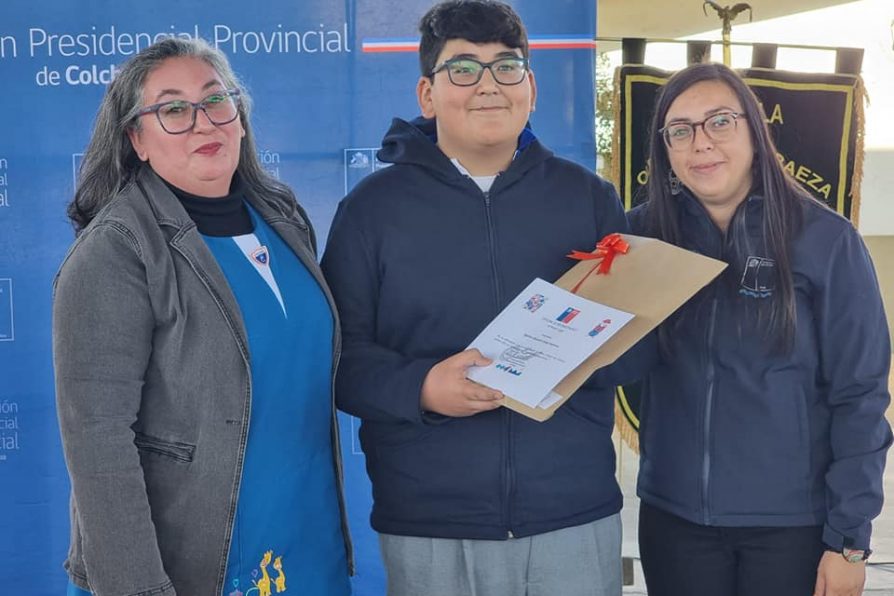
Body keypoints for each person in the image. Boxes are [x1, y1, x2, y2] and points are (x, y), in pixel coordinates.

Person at [321, 2, 646, 595]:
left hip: (571, 515)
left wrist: (589, 349)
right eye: (464, 69)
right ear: (427, 93)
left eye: (506, 67)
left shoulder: (589, 200)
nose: (488, 86)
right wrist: (423, 388)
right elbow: (338, 362)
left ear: (531, 88)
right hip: (431, 525)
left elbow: (633, 352)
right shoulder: (371, 212)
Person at [54, 37, 352, 596]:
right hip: (185, 560)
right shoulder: (116, 250)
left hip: (305, 541)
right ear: (136, 139)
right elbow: (97, 439)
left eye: (217, 101)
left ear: (239, 118)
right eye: (172, 109)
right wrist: (137, 588)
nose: (202, 122)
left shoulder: (284, 218)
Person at [629, 62, 892, 596]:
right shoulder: (638, 238)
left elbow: (860, 396)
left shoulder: (826, 240)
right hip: (674, 521)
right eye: (680, 130)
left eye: (719, 122)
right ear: (666, 150)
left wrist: (848, 540)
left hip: (791, 528)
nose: (700, 143)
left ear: (754, 130)